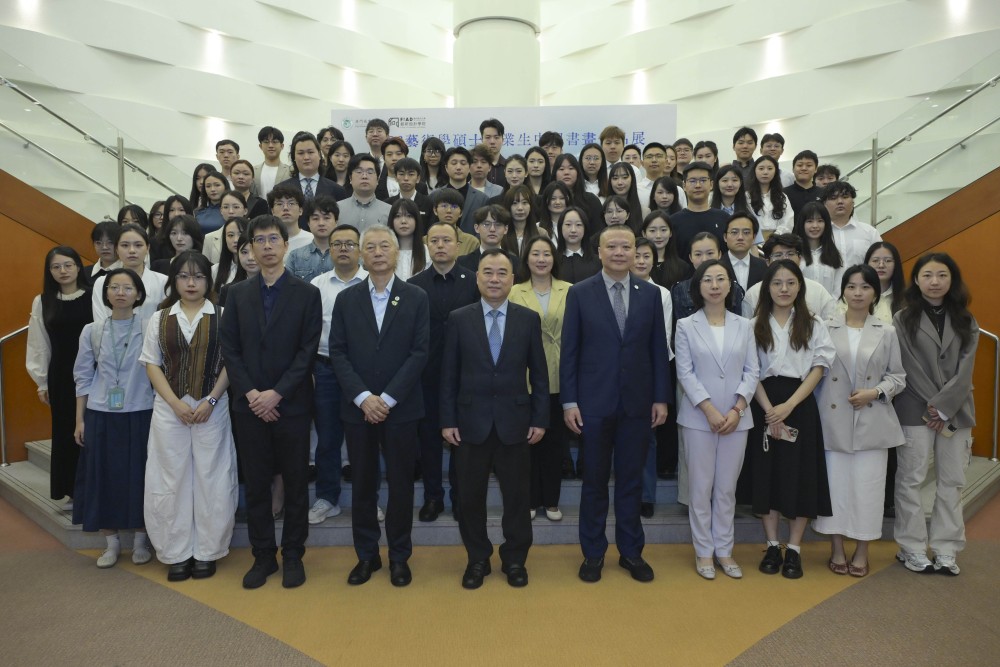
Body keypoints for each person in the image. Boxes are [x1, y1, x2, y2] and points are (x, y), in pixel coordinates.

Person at [560, 225, 671, 584]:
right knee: (593, 482)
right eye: (612, 246)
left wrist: (660, 397)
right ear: (600, 252)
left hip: (637, 404)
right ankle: (593, 553)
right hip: (593, 403)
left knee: (630, 482)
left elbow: (658, 350)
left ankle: (631, 552)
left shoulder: (650, 294)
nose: (620, 252)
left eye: (626, 246)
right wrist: (569, 401)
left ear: (636, 252)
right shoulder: (580, 292)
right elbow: (570, 351)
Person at [220, 215, 322, 590]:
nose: (266, 246)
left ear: (285, 245)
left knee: (295, 482)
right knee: (257, 483)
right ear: (249, 248)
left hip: (291, 404)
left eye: (273, 239)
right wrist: (251, 394)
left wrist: (276, 393)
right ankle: (263, 555)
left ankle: (293, 553)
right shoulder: (235, 294)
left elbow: (307, 351)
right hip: (248, 406)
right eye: (258, 240)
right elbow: (230, 350)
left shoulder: (306, 293)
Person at [441, 249, 548, 589]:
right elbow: (448, 375)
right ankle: (477, 558)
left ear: (513, 279)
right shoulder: (459, 318)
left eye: (502, 273)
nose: (494, 279)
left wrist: (540, 418)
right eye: (487, 272)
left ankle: (515, 559)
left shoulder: (528, 318)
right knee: (469, 498)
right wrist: (447, 420)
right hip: (469, 423)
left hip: (516, 423)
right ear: (477, 278)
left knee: (517, 498)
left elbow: (540, 375)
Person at [329, 225, 429, 587]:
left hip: (401, 408)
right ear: (360, 254)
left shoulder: (416, 297)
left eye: (384, 246)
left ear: (396, 252)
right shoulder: (346, 299)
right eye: (369, 247)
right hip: (358, 409)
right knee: (363, 485)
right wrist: (363, 398)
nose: (377, 252)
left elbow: (420, 352)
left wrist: (385, 399)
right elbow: (337, 352)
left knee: (401, 485)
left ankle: (399, 556)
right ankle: (366, 556)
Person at [141, 251, 237, 581]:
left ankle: (208, 551)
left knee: (213, 476)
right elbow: (151, 363)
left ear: (208, 281)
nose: (191, 282)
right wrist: (174, 403)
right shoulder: (159, 317)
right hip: (170, 409)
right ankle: (176, 552)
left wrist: (211, 400)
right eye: (184, 276)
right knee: (170, 476)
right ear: (174, 281)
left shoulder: (223, 315)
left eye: (198, 276)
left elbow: (232, 362)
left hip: (213, 405)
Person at [741, 259, 835, 579]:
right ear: (766, 288)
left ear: (800, 287)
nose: (784, 289)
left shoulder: (814, 323)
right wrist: (771, 411)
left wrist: (789, 406)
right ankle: (772, 545)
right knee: (766, 473)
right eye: (777, 283)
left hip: (800, 402)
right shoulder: (753, 324)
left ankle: (794, 548)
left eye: (791, 283)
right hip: (763, 402)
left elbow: (819, 367)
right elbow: (750, 371)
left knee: (800, 474)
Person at [814, 265, 906, 578]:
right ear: (842, 291)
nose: (857, 293)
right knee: (835, 488)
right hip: (832, 420)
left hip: (872, 421)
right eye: (851, 286)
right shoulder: (825, 328)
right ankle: (837, 548)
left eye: (865, 287)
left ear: (875, 293)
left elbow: (898, 377)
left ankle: (863, 550)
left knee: (868, 489)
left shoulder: (887, 331)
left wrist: (875, 392)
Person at [892, 253, 978, 576]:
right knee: (910, 480)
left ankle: (946, 548)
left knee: (952, 481)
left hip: (957, 412)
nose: (935, 281)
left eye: (942, 275)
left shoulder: (966, 319)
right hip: (915, 409)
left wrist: (945, 407)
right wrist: (935, 406)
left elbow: (966, 370)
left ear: (952, 279)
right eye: (927, 275)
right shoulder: (902, 318)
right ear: (916, 280)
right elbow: (908, 366)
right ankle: (912, 548)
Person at [674, 259, 758, 579]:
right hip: (699, 418)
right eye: (707, 279)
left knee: (726, 490)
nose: (714, 285)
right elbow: (685, 373)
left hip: (737, 419)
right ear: (698, 287)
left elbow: (752, 371)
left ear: (730, 285)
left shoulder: (744, 325)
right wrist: (709, 409)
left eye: (720, 278)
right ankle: (704, 552)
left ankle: (724, 550)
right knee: (701, 488)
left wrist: (737, 409)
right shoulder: (686, 325)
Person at [72, 268, 155, 568]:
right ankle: (111, 543)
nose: (120, 293)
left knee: (140, 477)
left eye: (127, 287)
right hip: (100, 414)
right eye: (114, 287)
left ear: (138, 294)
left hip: (141, 412)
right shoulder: (92, 330)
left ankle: (141, 541)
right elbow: (82, 377)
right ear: (105, 293)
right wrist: (80, 420)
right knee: (102, 478)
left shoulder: (149, 327)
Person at [408, 221, 481, 522]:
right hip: (425, 375)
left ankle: (460, 497)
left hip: (465, 374)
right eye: (435, 240)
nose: (440, 245)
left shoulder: (474, 280)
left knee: (461, 439)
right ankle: (433, 497)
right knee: (428, 439)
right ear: (427, 245)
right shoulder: (413, 285)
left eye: (446, 240)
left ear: (458, 245)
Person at [307, 224, 367, 526]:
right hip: (326, 367)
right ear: (329, 249)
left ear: (360, 249)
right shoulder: (316, 285)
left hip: (363, 370)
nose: (343, 249)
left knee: (363, 438)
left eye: (350, 243)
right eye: (337, 244)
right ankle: (327, 498)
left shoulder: (372, 282)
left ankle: (366, 500)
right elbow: (308, 330)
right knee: (328, 437)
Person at [509, 236, 570, 523]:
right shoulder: (514, 291)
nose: (541, 259)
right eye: (536, 254)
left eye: (547, 254)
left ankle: (552, 500)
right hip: (524, 375)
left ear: (554, 258)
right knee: (528, 442)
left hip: (560, 371)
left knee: (554, 442)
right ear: (526, 258)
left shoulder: (570, 290)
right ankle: (531, 500)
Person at [27, 247, 92, 509]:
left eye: (68, 265)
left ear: (78, 266)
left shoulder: (94, 296)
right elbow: (38, 343)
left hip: (94, 373)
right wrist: (41, 381)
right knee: (66, 432)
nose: (63, 271)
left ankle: (93, 489)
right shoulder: (43, 301)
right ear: (49, 271)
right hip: (61, 375)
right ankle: (71, 490)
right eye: (56, 267)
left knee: (92, 430)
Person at [631, 238, 674, 517]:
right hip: (614, 374)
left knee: (647, 437)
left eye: (646, 256)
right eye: (636, 255)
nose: (641, 261)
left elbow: (663, 341)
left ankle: (646, 495)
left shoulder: (662, 294)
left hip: (647, 373)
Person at [742, 233, 837, 321]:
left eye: (790, 254)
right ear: (767, 262)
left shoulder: (818, 291)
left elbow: (830, 326)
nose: (785, 259)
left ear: (800, 258)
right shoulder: (753, 294)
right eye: (778, 255)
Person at [92, 224, 168, 329]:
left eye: (138, 245)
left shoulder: (163, 282)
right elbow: (100, 324)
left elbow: (165, 324)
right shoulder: (102, 282)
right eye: (125, 245)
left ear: (148, 248)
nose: (132, 250)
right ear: (116, 249)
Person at [277, 132, 348, 229]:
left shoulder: (337, 190)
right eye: (301, 153)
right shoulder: (280, 190)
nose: (306, 157)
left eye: (310, 152)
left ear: (319, 155)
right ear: (294, 158)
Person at [672, 162, 729, 262]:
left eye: (703, 180)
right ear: (684, 185)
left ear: (711, 184)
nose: (698, 185)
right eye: (692, 181)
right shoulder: (673, 221)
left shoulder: (724, 218)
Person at [822, 180, 881, 265]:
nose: (840, 201)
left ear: (853, 203)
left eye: (845, 197)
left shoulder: (870, 232)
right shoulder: (818, 232)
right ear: (824, 204)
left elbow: (879, 261)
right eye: (833, 198)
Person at [794, 201, 844, 297]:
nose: (815, 226)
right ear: (802, 224)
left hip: (829, 305)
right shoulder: (794, 254)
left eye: (820, 221)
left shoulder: (834, 254)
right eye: (809, 221)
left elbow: (838, 287)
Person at [285, 195, 338, 283]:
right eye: (315, 218)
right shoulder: (295, 256)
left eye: (326, 218)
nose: (321, 223)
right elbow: (287, 286)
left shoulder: (345, 254)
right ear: (308, 223)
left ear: (336, 222)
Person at [439, 146, 490, 234]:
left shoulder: (482, 199)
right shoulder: (435, 196)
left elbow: (484, 227)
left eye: (463, 163)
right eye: (454, 163)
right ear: (446, 168)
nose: (458, 167)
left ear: (469, 167)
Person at [338, 154, 392, 232]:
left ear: (377, 180)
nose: (364, 176)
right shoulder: (337, 209)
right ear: (350, 178)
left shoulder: (389, 211)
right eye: (359, 171)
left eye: (370, 172)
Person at [458, 205, 519, 272]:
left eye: (498, 224)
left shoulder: (515, 263)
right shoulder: (462, 263)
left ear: (506, 229)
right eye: (486, 224)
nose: (492, 229)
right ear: (476, 228)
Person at [641, 210, 689, 289]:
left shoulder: (682, 268)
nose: (658, 236)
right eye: (652, 230)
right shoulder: (637, 265)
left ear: (670, 233)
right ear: (644, 234)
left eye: (663, 230)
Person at [747, 155, 793, 237]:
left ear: (775, 172)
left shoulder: (782, 196)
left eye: (770, 168)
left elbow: (788, 221)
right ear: (754, 171)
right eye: (761, 168)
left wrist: (774, 238)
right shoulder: (747, 196)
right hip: (753, 239)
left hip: (778, 240)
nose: (765, 172)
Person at [427, 187, 481, 255]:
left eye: (454, 207)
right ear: (435, 210)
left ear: (461, 212)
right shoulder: (425, 240)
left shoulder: (471, 242)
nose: (449, 211)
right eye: (444, 206)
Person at [721, 212, 766, 293]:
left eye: (746, 232)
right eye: (734, 232)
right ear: (725, 237)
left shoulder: (763, 266)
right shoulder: (717, 266)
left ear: (754, 237)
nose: (740, 237)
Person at [863, 241, 905, 324]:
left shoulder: (908, 299)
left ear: (896, 265)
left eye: (888, 261)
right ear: (866, 264)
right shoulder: (853, 297)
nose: (881, 265)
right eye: (875, 260)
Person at [557, 207, 601, 285]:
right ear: (560, 227)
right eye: (568, 224)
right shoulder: (553, 261)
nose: (573, 230)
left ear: (585, 228)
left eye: (578, 225)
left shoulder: (598, 262)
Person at [203, 191, 248, 263]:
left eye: (236, 207)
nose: (231, 211)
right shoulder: (209, 238)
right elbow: (205, 266)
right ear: (221, 210)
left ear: (245, 210)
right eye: (226, 207)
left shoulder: (254, 235)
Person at [267, 184, 313, 253]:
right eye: (280, 204)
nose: (285, 208)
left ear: (300, 210)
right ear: (272, 211)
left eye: (291, 203)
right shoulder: (266, 241)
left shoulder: (312, 240)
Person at [211, 216, 248, 295]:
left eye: (240, 234)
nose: (236, 240)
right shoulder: (215, 270)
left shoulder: (256, 268)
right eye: (230, 235)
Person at [501, 184, 542, 254]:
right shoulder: (501, 233)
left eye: (524, 203)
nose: (520, 208)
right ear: (508, 206)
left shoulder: (541, 233)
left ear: (530, 206)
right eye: (515, 203)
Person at [608, 162, 647, 229]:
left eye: (625, 177)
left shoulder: (644, 212)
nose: (620, 182)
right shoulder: (603, 209)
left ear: (632, 179)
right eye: (615, 178)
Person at [255, 126, 291, 197]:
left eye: (275, 142)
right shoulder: (253, 171)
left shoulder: (290, 171)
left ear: (282, 146)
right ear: (260, 146)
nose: (270, 145)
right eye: (266, 142)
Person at [784, 150, 822, 216]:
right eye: (800, 165)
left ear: (816, 169)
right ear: (793, 169)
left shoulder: (824, 194)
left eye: (809, 165)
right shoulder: (783, 194)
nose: (804, 168)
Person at [374, 136, 409, 202]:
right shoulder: (375, 185)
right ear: (384, 158)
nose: (394, 158)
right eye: (389, 154)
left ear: (405, 156)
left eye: (398, 154)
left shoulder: (418, 185)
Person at [480, 118, 508, 187]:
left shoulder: (508, 167)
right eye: (488, 137)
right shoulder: (474, 166)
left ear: (503, 140)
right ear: (481, 140)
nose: (492, 142)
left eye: (496, 137)